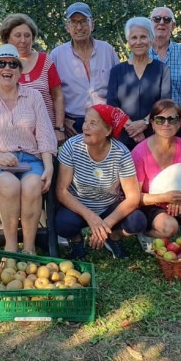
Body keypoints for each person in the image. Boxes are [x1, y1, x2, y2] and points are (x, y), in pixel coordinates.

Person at [0, 44, 57, 254]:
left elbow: (44, 135)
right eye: (2, 63)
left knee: (33, 186)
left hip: (31, 160)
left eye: (13, 64)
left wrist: (48, 167)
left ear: (20, 70)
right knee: (9, 186)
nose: (7, 68)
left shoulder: (34, 97)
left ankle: (29, 248)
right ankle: (10, 247)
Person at [55, 104, 147, 260]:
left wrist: (106, 224)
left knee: (137, 221)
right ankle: (76, 241)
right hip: (79, 207)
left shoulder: (121, 153)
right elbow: (62, 191)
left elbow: (133, 198)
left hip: (108, 206)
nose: (85, 127)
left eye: (93, 123)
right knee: (63, 223)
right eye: (85, 121)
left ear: (108, 131)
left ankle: (113, 237)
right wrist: (92, 218)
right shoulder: (71, 146)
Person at [0, 14, 66, 145]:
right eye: (17, 35)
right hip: (10, 139)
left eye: (27, 35)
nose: (23, 40)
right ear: (7, 37)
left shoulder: (45, 61)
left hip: (45, 135)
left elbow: (58, 96)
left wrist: (59, 128)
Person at [132, 99, 181, 240]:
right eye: (160, 119)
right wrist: (166, 197)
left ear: (179, 123)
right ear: (152, 123)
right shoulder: (139, 153)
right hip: (151, 205)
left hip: (180, 203)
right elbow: (134, 197)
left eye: (172, 119)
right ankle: (146, 234)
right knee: (170, 228)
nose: (166, 124)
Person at [50, 2, 119, 136]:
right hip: (73, 125)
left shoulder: (107, 50)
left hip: (105, 122)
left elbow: (119, 86)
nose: (79, 27)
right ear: (67, 27)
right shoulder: (57, 55)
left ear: (92, 25)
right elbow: (51, 94)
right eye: (74, 22)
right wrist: (62, 121)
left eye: (83, 22)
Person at [107, 17, 171, 150]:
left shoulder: (162, 69)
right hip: (122, 139)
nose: (138, 42)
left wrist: (144, 123)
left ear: (151, 39)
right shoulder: (117, 71)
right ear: (128, 41)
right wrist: (131, 127)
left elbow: (164, 103)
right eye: (134, 38)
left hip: (153, 137)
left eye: (143, 37)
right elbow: (112, 105)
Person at [149, 7, 181, 138]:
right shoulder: (141, 53)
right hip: (149, 127)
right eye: (156, 19)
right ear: (150, 23)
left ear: (173, 26)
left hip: (180, 126)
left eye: (167, 19)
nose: (161, 23)